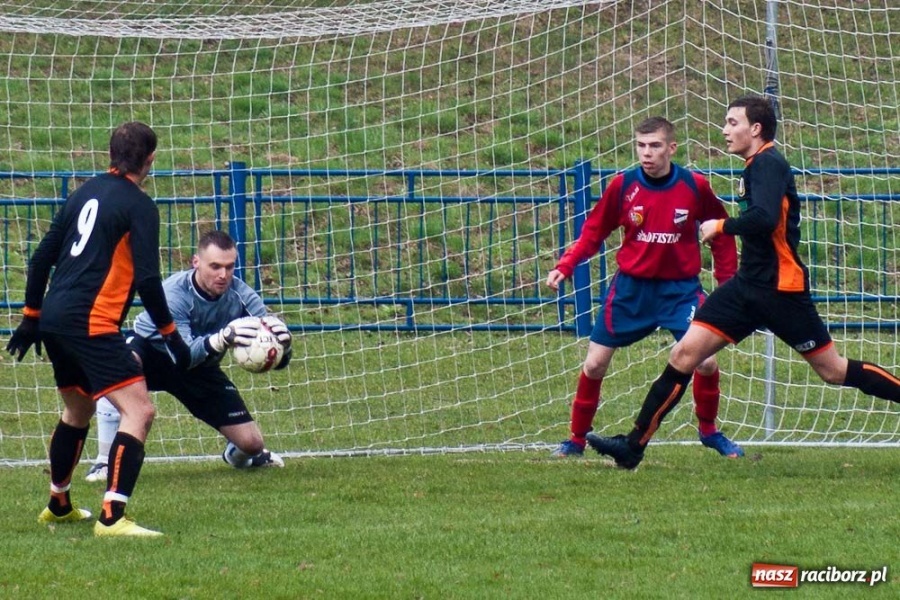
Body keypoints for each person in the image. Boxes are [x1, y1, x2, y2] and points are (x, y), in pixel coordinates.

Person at [587, 95, 900, 469]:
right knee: (684, 355)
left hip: (781, 291)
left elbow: (765, 218)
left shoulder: (768, 164)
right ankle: (632, 446)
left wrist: (720, 226)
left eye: (732, 122)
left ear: (756, 128)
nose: (724, 130)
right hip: (746, 287)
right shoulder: (755, 164)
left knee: (832, 371)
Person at [6, 122, 192, 537]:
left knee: (78, 409)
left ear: (111, 154)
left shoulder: (82, 193)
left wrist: (31, 316)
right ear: (150, 160)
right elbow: (148, 280)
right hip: (90, 322)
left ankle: (58, 504)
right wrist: (172, 336)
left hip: (55, 317)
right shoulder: (140, 206)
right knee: (139, 411)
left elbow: (40, 259)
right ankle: (112, 517)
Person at [548, 116, 743, 459]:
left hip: (680, 292)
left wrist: (726, 283)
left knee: (706, 362)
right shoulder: (622, 186)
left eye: (654, 145)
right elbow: (594, 231)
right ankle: (576, 440)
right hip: (630, 291)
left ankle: (709, 431)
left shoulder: (694, 186)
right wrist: (566, 265)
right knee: (594, 365)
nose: (646, 153)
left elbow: (722, 232)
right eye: (640, 145)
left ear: (671, 148)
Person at [85, 229, 292, 483]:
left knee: (252, 444)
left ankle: (236, 454)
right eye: (215, 266)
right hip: (153, 353)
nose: (223, 275)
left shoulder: (242, 296)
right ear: (196, 262)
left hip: (200, 367)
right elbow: (184, 354)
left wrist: (283, 347)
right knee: (119, 369)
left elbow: (276, 358)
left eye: (229, 267)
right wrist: (221, 338)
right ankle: (104, 461)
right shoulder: (175, 293)